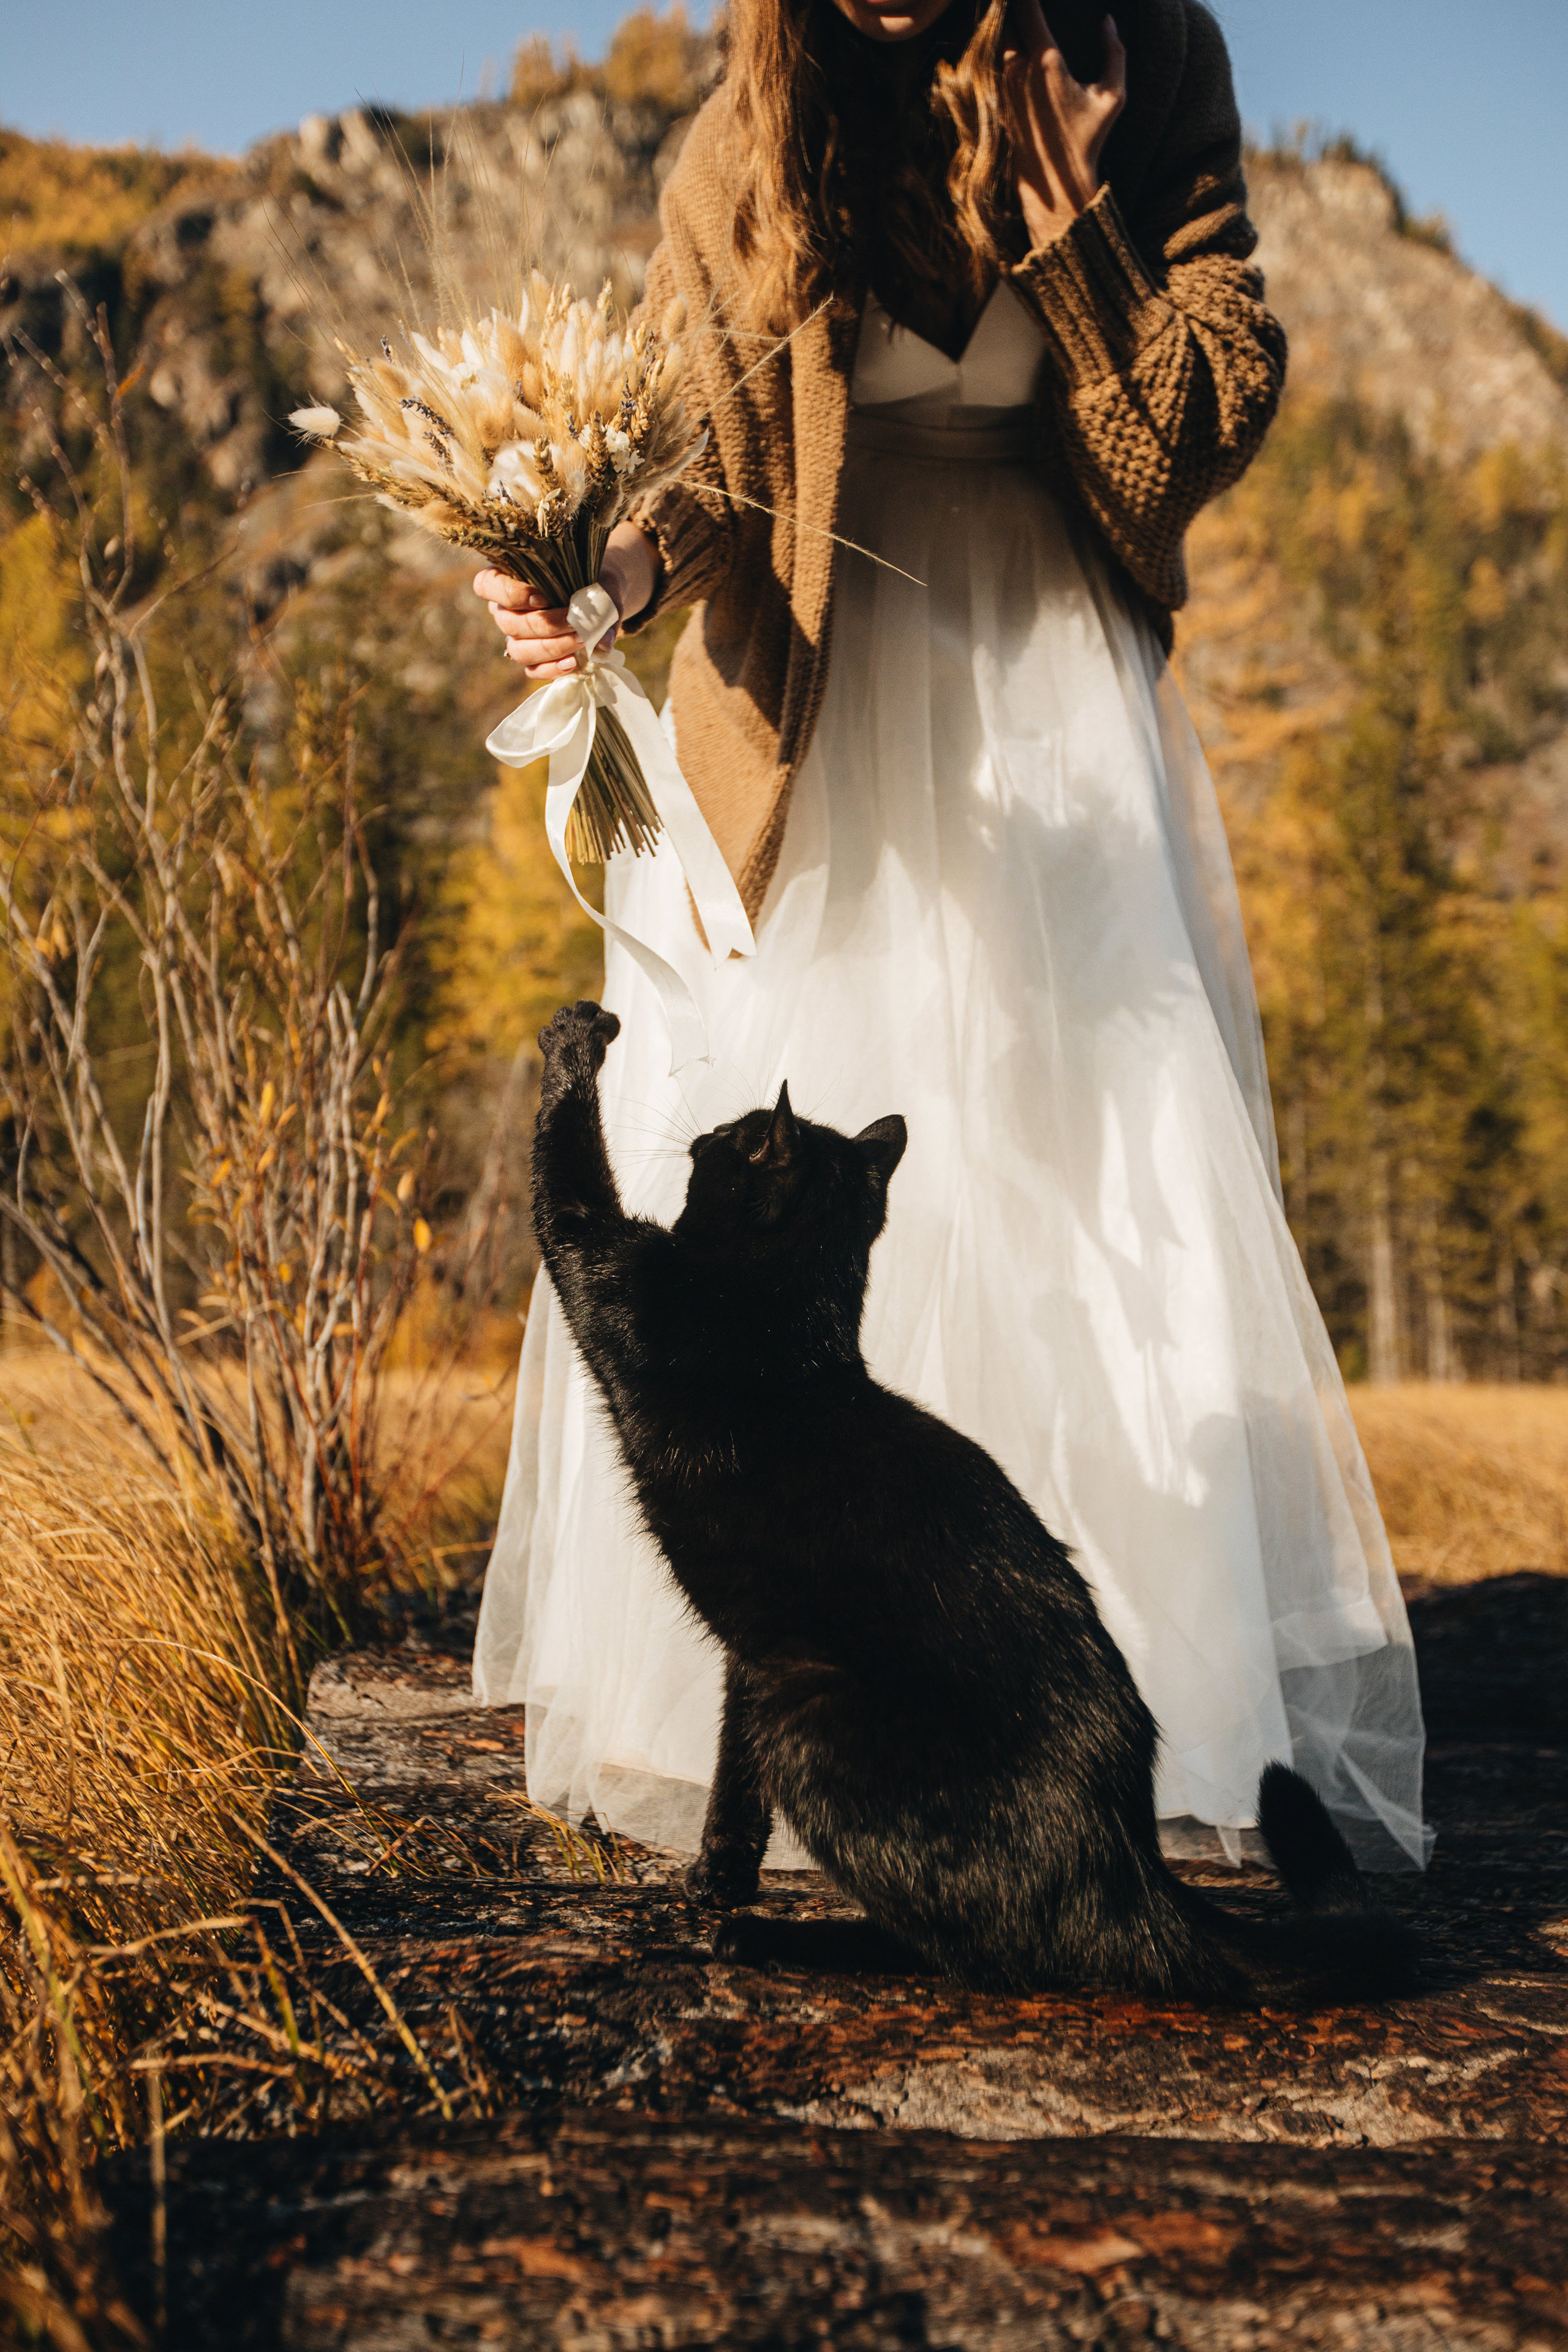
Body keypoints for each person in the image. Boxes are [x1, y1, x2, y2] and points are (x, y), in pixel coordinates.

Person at [471, 0, 1431, 1874]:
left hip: (1056, 701)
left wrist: (1074, 235)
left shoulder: (1142, 55)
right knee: (793, 1199)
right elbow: (694, 459)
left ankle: (1119, 1711)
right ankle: (837, 1722)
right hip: (803, 716)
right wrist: (598, 573)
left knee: (1089, 1182)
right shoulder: (744, 138)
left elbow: (1173, 458)